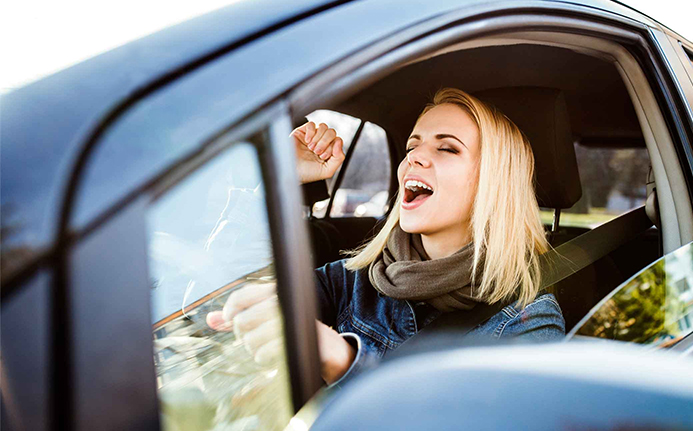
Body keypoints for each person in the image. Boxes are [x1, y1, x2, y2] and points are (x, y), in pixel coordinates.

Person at [207, 88, 565, 386]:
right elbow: (222, 298)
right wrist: (279, 180)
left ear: (495, 183)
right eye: (412, 147)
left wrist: (343, 361)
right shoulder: (356, 279)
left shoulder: (528, 321)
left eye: (447, 148)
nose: (414, 158)